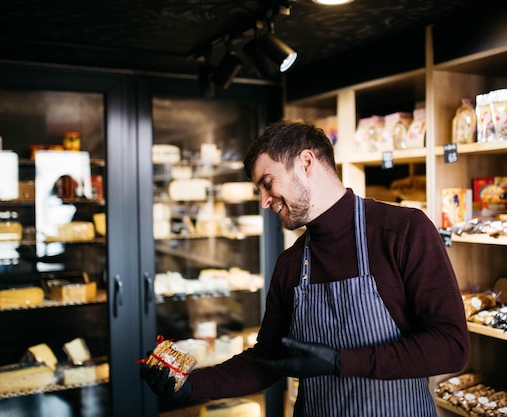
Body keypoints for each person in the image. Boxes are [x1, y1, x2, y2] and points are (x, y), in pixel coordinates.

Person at [141, 119, 470, 416]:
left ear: (306, 162)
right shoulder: (291, 263)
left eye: (267, 183)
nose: (264, 200)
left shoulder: (402, 231)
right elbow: (266, 359)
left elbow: (451, 345)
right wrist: (191, 386)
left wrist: (341, 361)